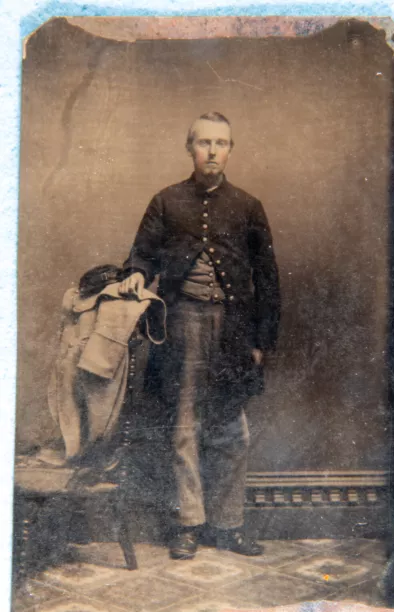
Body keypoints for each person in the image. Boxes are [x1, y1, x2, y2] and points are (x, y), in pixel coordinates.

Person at [119, 112, 280, 559]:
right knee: (184, 425)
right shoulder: (166, 202)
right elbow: (141, 254)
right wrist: (136, 274)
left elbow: (267, 279)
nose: (212, 151)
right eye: (204, 142)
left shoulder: (248, 206)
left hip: (233, 328)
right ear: (189, 147)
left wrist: (261, 341)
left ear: (230, 149)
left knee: (233, 428)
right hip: (182, 323)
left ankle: (229, 525)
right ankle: (188, 523)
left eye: (221, 143)